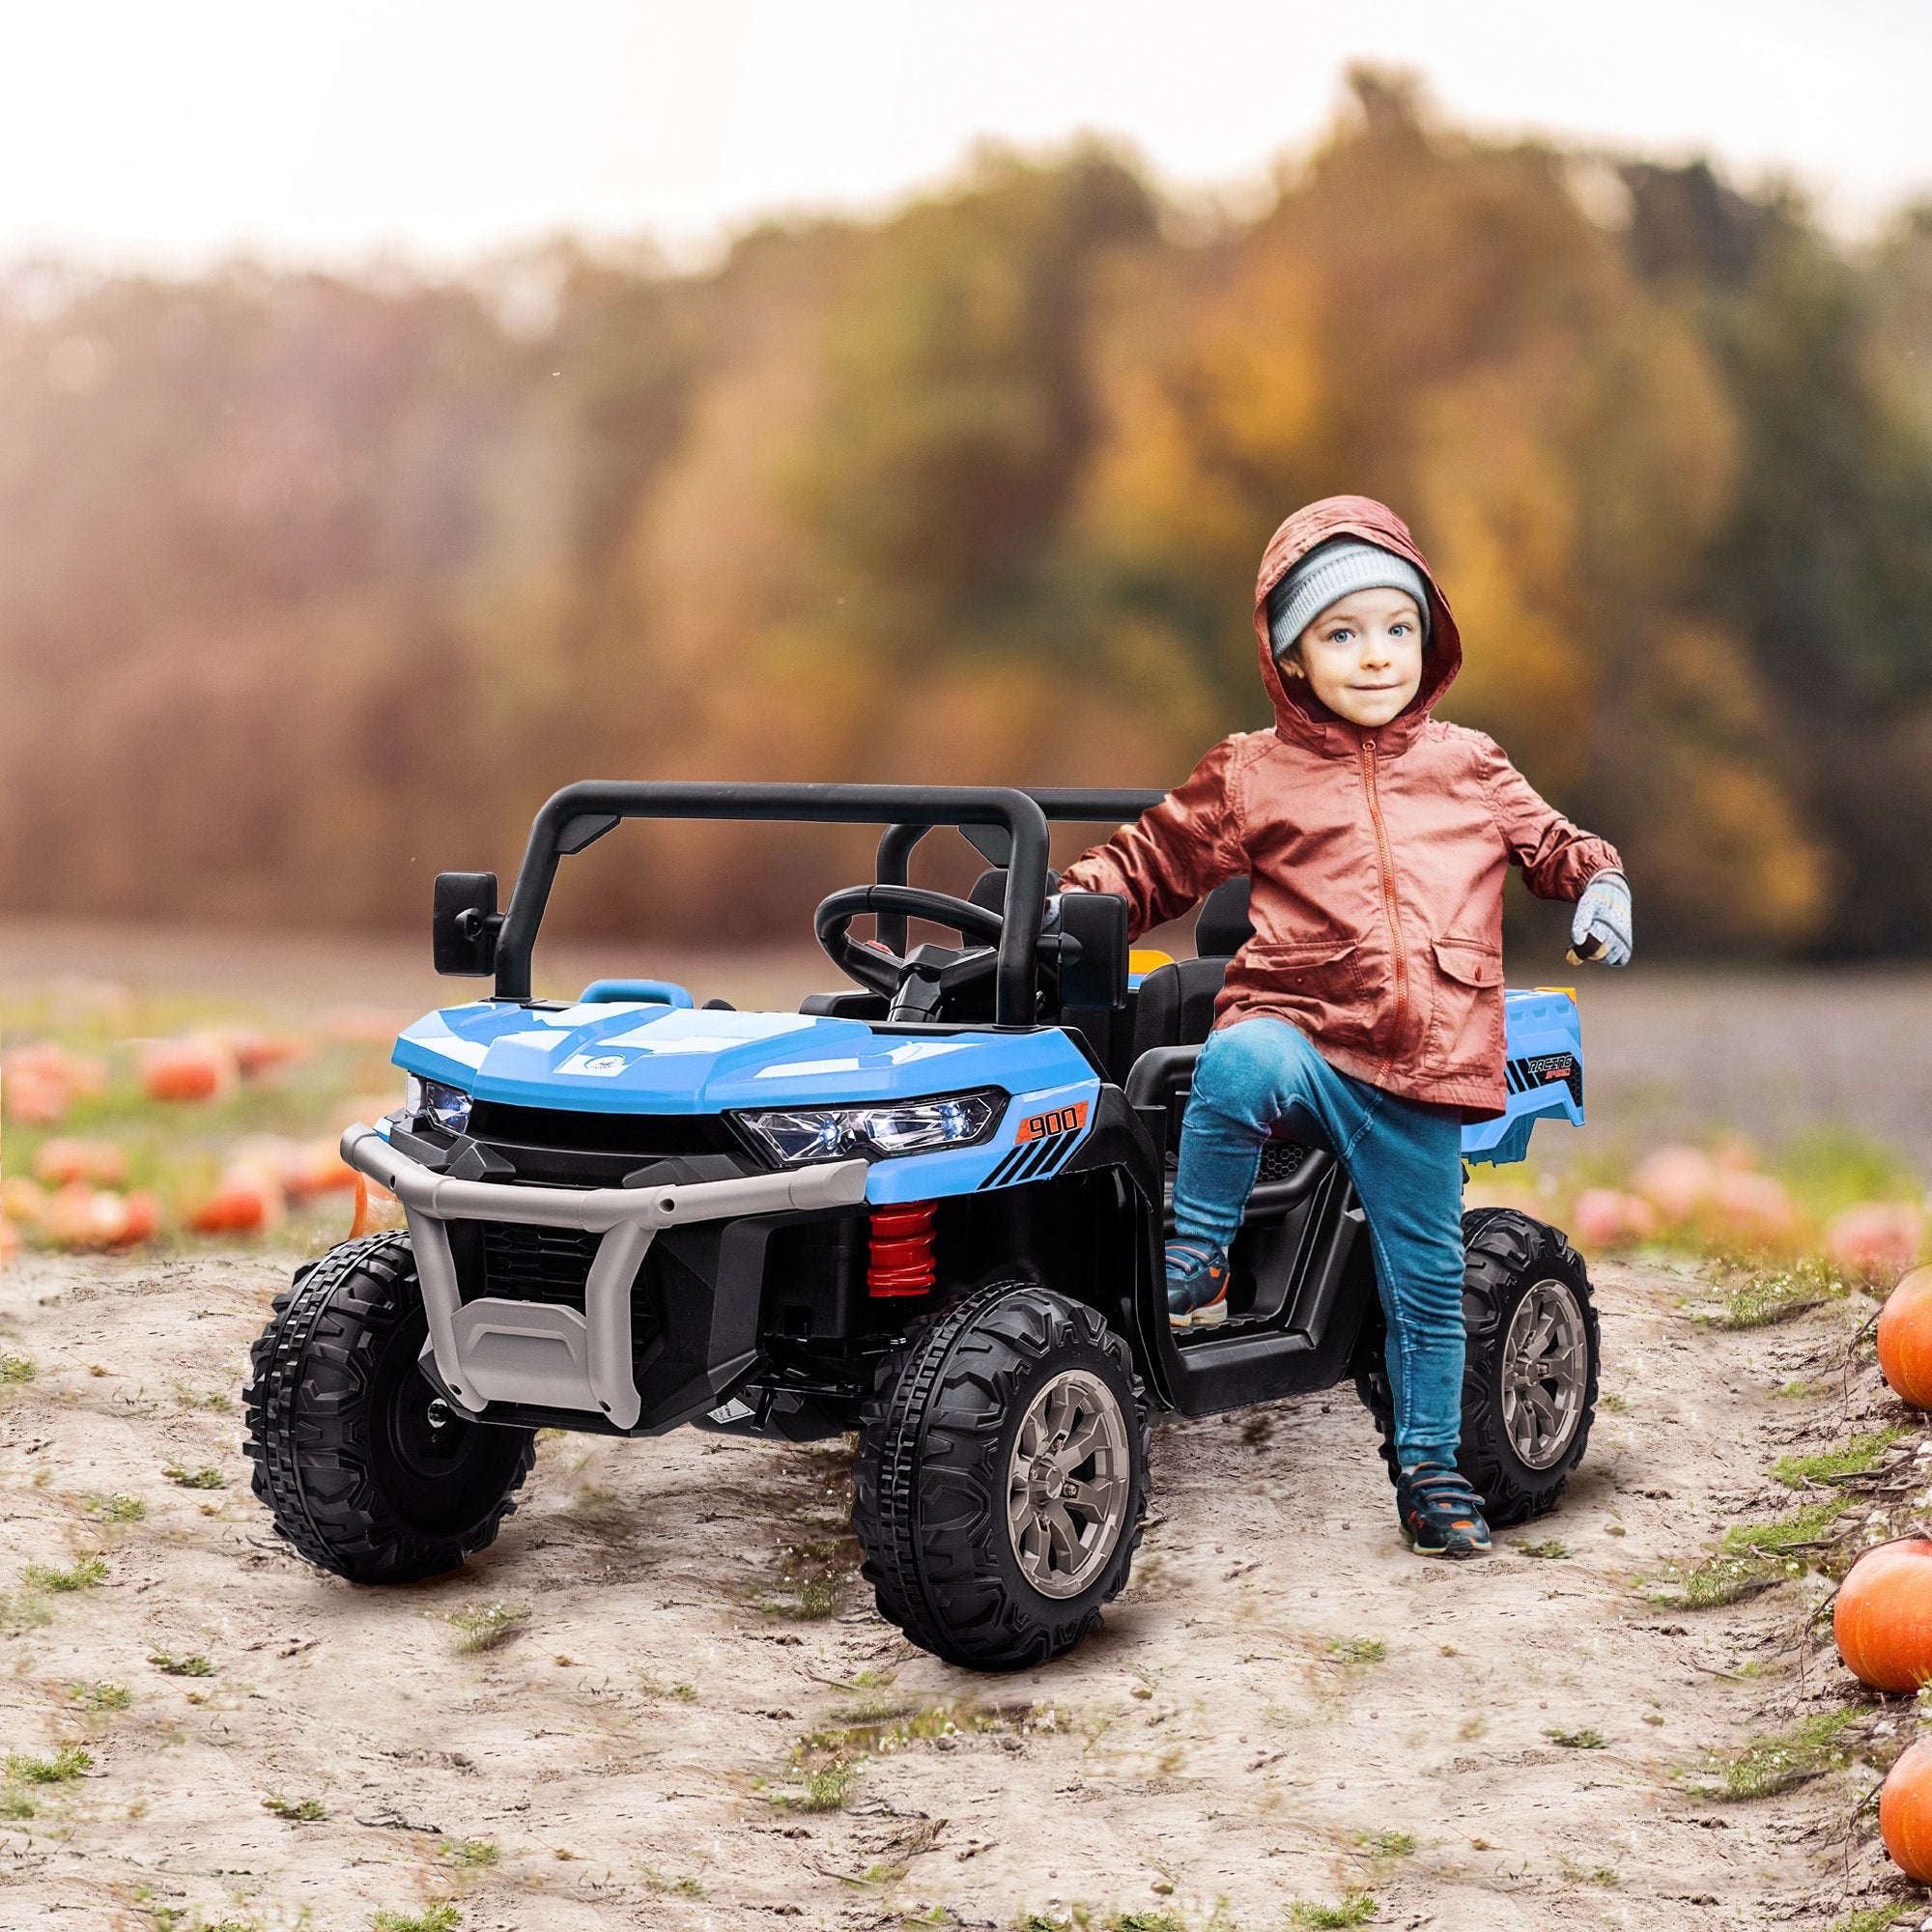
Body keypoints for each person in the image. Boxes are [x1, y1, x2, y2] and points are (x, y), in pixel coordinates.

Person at [1055, 496, 1631, 1559]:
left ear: (1430, 636)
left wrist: (1596, 882)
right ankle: (1202, 1256)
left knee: (1423, 1291)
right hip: (1303, 1028)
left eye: (1396, 629)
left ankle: (1429, 1469)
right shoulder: (1250, 770)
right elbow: (1148, 860)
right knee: (1235, 1059)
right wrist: (1062, 904)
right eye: (1340, 634)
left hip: (1420, 1068)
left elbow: (1552, 842)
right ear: (1289, 656)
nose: (1375, 657)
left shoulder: (1470, 763)